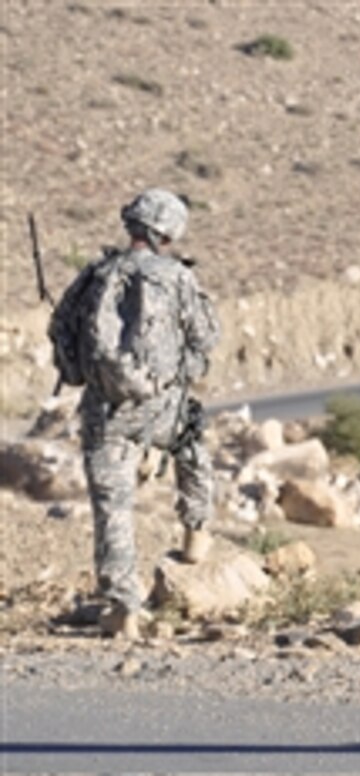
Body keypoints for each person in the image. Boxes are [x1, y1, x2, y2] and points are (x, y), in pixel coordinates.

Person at [48, 188, 221, 639]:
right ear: (169, 231)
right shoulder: (177, 278)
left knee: (113, 507)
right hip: (162, 405)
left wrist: (78, 373)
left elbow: (61, 329)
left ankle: (124, 606)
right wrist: (182, 373)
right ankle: (196, 534)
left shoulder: (96, 274)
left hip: (106, 409)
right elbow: (205, 337)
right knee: (192, 446)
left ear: (132, 224)